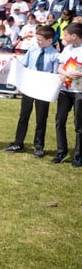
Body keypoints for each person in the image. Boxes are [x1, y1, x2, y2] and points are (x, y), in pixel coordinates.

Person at [4, 26, 59, 157]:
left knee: (41, 119)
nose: (38, 41)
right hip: (29, 88)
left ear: (49, 40)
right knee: (24, 116)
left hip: (43, 90)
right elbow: (24, 65)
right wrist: (15, 61)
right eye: (37, 39)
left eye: (40, 39)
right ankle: (18, 142)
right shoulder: (32, 51)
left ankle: (38, 146)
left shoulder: (55, 55)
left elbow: (55, 74)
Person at [52, 22, 82, 167]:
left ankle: (78, 154)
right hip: (65, 90)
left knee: (79, 124)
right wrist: (66, 73)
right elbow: (59, 67)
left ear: (74, 36)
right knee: (60, 120)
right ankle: (61, 151)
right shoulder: (67, 48)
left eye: (66, 35)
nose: (64, 37)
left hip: (79, 92)